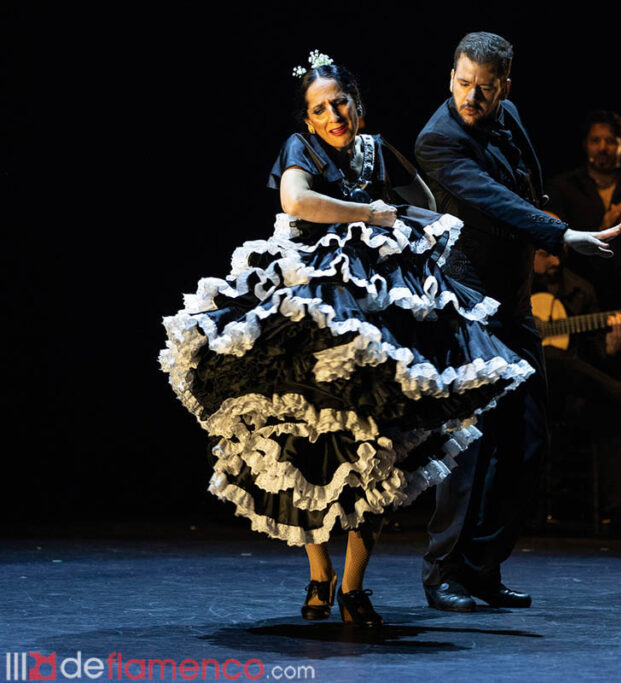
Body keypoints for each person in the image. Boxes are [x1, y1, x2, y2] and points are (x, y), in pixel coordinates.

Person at [159, 51, 534, 627]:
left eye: (341, 103)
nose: (333, 114)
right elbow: (296, 201)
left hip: (373, 315)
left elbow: (427, 208)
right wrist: (372, 215)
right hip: (310, 309)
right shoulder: (300, 149)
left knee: (376, 446)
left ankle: (354, 585)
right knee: (305, 441)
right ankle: (319, 572)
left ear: (358, 104)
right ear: (307, 120)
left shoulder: (377, 149)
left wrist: (404, 233)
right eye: (320, 109)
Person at [415, 32, 621, 612]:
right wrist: (559, 233)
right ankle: (443, 573)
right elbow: (491, 200)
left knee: (528, 441)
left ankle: (482, 567)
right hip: (467, 301)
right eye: (462, 84)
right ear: (450, 75)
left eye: (485, 88)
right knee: (472, 446)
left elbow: (525, 183)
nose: (472, 97)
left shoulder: (511, 115)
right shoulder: (437, 139)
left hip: (513, 300)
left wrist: (545, 230)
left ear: (506, 86)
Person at [532, 247, 621, 542]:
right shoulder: (512, 290)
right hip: (524, 398)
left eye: (560, 253)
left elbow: (598, 364)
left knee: (610, 409)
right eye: (546, 253)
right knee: (549, 355)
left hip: (569, 397)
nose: (556, 261)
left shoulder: (581, 291)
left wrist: (611, 350)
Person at [547, 110, 621, 318]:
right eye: (596, 140)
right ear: (585, 144)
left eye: (611, 141)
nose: (603, 148)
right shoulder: (562, 188)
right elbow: (554, 247)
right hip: (575, 306)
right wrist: (602, 228)